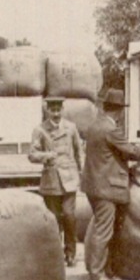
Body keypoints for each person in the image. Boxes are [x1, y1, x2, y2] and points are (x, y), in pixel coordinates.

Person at [80, 88, 140, 280]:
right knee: (104, 230)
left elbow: (110, 153)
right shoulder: (111, 129)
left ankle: (104, 269)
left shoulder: (94, 126)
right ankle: (97, 273)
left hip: (94, 186)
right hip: (107, 187)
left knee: (101, 228)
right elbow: (131, 151)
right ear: (119, 111)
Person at [28, 96, 85, 266]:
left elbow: (79, 152)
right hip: (51, 180)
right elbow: (32, 154)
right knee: (53, 219)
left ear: (62, 110)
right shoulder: (40, 130)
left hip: (69, 178)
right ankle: (54, 254)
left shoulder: (71, 128)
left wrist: (82, 173)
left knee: (69, 216)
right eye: (52, 110)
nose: (56, 114)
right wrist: (46, 156)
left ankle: (71, 253)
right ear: (47, 110)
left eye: (58, 110)